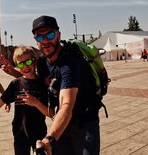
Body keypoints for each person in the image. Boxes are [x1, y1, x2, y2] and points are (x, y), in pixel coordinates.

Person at [31, 15, 100, 155]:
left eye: (49, 34)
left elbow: (67, 104)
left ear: (58, 35)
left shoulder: (70, 62)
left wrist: (48, 140)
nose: (45, 41)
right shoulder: (43, 62)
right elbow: (39, 82)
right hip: (61, 123)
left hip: (84, 122)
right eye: (39, 37)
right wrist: (14, 73)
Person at [0, 45, 55, 155]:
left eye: (28, 62)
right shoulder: (16, 84)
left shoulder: (43, 84)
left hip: (39, 134)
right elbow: (0, 101)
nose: (25, 66)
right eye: (20, 64)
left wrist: (36, 103)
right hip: (20, 133)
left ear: (34, 61)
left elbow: (51, 113)